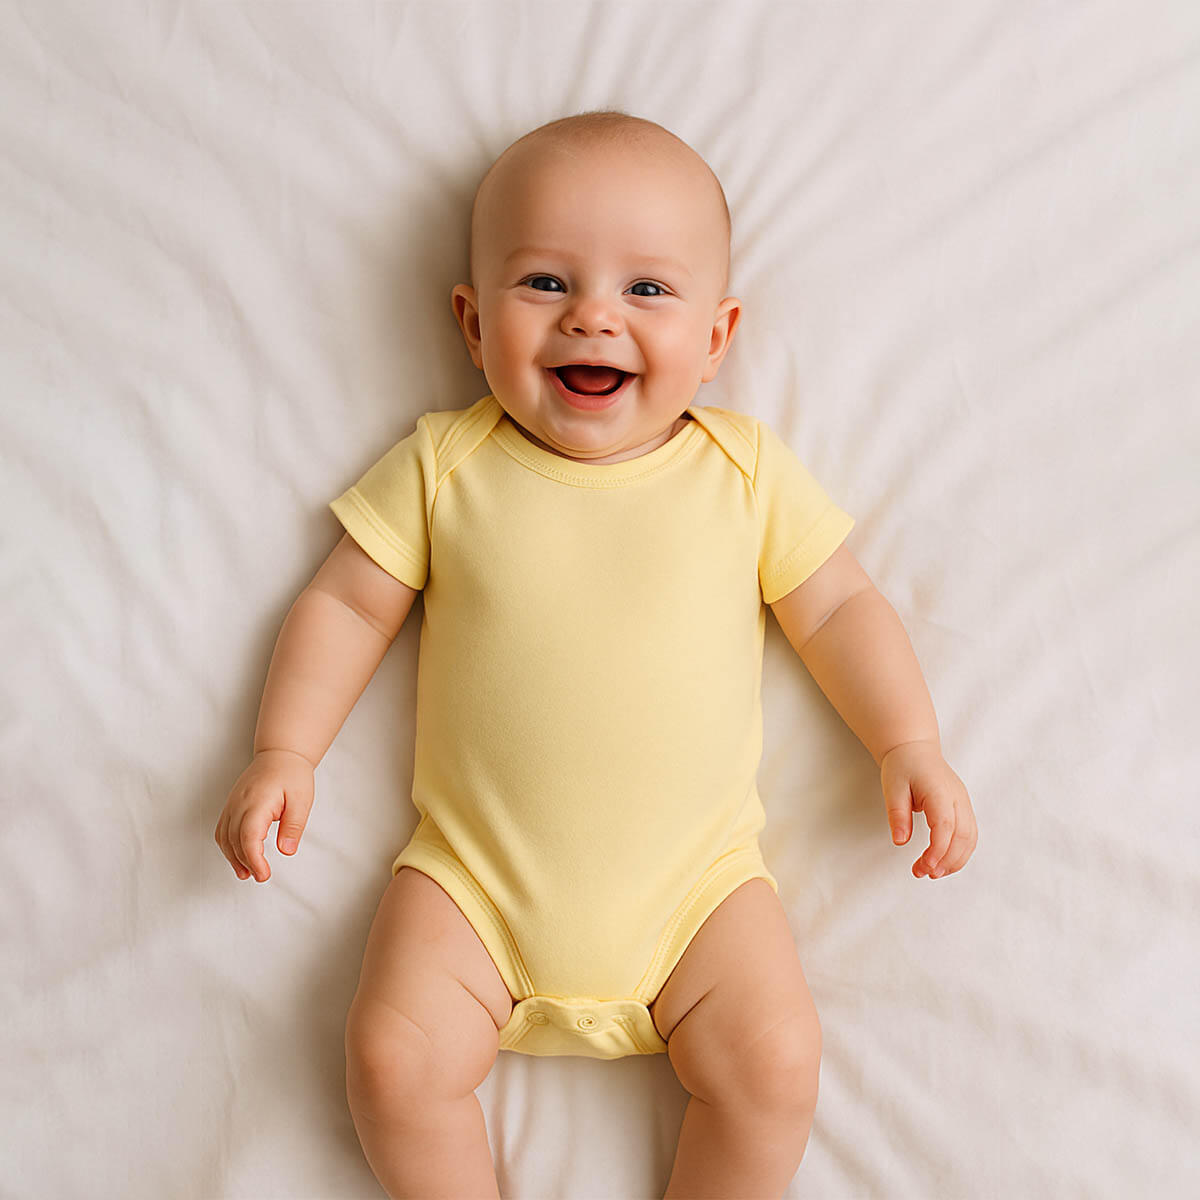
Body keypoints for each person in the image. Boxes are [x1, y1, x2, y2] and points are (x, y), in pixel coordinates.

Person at [214, 109, 978, 1199]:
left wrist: (909, 742)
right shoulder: (445, 465)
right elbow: (345, 605)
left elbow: (843, 609)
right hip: (474, 887)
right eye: (545, 283)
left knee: (775, 1063)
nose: (593, 317)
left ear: (717, 337)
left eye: (647, 289)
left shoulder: (745, 475)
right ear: (472, 322)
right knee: (392, 1060)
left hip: (700, 894)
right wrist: (285, 750)